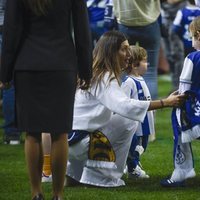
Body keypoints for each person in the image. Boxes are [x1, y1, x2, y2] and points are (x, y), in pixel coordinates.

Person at [66, 30, 186, 187]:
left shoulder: (95, 72)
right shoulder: (105, 77)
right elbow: (126, 106)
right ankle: (101, 177)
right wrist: (166, 102)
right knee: (128, 121)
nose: (128, 53)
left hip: (70, 140)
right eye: (124, 49)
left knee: (117, 118)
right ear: (111, 52)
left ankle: (74, 175)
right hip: (80, 141)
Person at [0, 0, 92, 200]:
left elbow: (10, 32)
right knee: (60, 132)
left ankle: (36, 192)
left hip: (28, 65)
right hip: (62, 64)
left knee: (32, 134)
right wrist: (86, 69)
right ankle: (58, 194)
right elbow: (83, 31)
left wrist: (4, 73)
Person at [161, 16, 200, 187]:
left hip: (197, 114)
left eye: (192, 37)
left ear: (198, 35)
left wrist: (175, 98)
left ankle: (182, 170)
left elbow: (183, 91)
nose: (192, 42)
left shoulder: (192, 57)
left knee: (178, 114)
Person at [112, 0, 161, 100]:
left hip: (125, 23)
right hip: (149, 23)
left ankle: (123, 107)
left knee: (123, 69)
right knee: (150, 71)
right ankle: (150, 110)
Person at [121, 45, 155, 179]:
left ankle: (132, 164)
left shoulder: (140, 79)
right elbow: (124, 103)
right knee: (136, 146)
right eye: (145, 61)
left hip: (145, 121)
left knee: (142, 146)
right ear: (135, 65)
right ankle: (132, 168)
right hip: (137, 123)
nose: (147, 64)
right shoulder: (129, 82)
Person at [161, 0, 186, 90]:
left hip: (178, 17)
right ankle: (175, 86)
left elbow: (172, 1)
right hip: (164, 18)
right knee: (169, 56)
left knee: (178, 55)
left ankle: (180, 88)